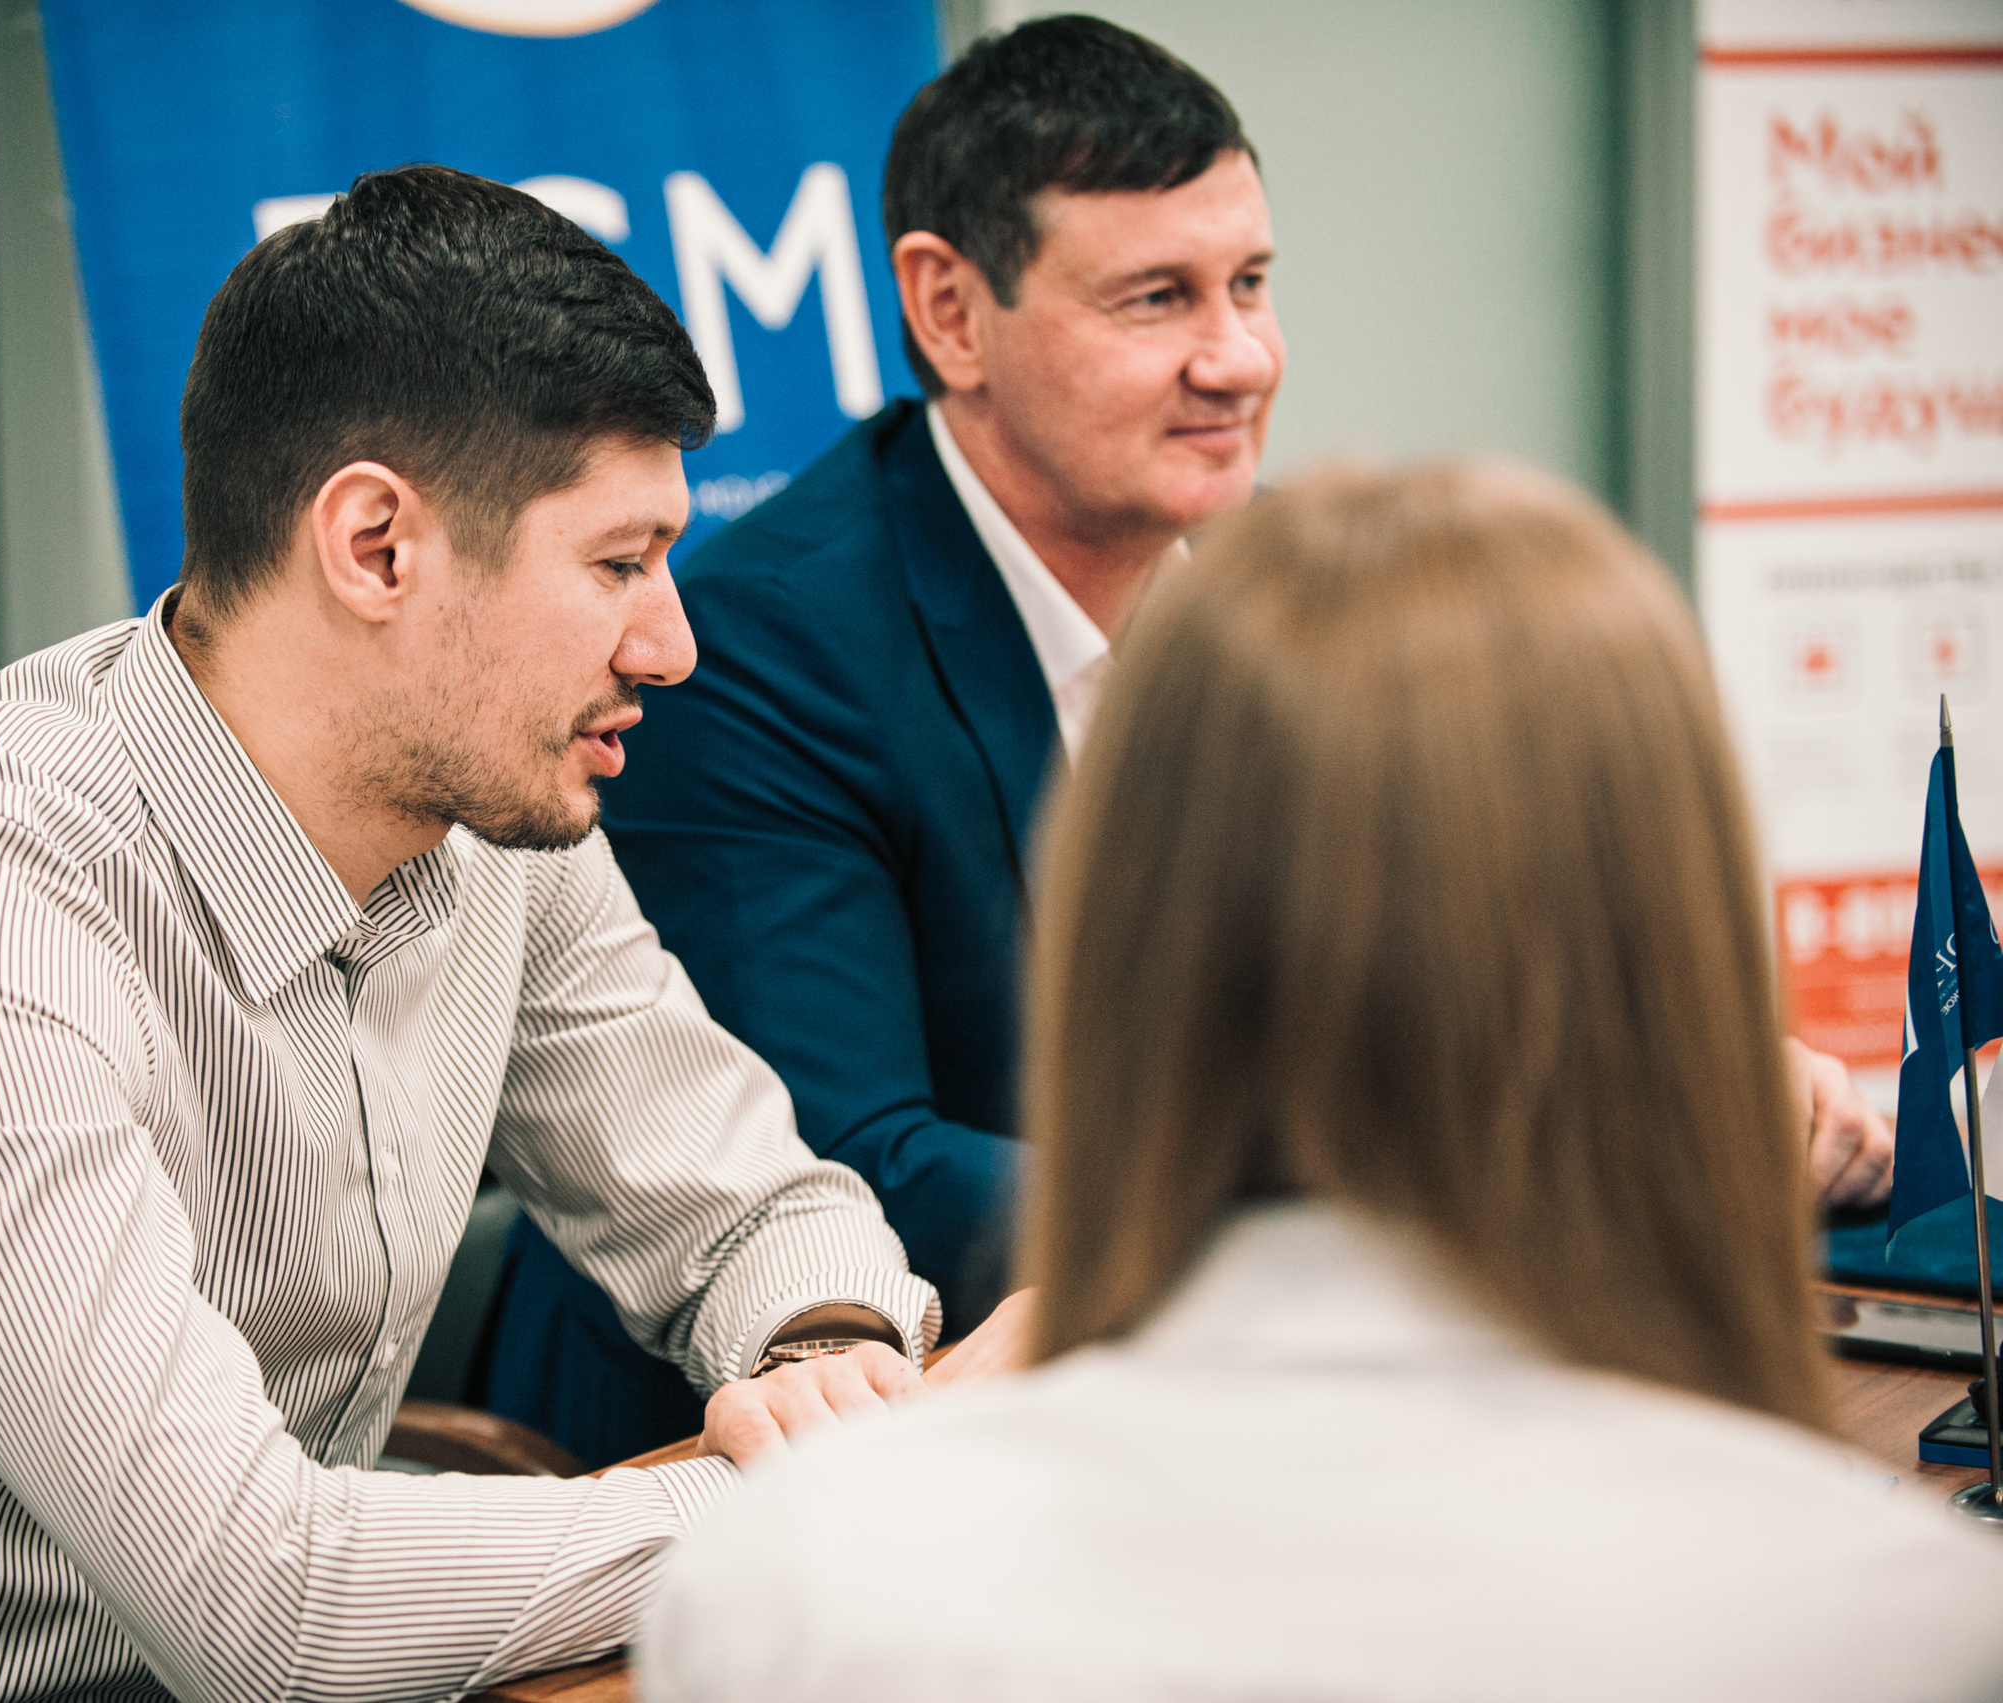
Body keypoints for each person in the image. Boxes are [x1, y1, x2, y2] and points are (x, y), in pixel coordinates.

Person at [0, 165, 1018, 1703]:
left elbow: (743, 1207)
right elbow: (268, 1606)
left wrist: (827, 1358)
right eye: (616, 565)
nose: (671, 644)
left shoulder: (488, 812)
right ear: (378, 546)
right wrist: (826, 1499)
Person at [482, 11, 1894, 1470]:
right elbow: (861, 1165)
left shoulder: (1294, 589)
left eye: (1253, 285)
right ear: (949, 311)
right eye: (1158, 300)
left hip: (1210, 1414)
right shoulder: (760, 642)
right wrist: (1368, 1227)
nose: (1239, 360)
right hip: (758, 1472)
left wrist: (1676, 1099)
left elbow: (1443, 994)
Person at [635, 461, 2003, 1703]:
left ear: (1124, 926)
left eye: (1250, 284)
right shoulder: (1906, 1624)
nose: (1233, 355)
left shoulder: (785, 1589)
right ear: (1668, 940)